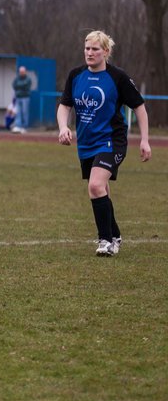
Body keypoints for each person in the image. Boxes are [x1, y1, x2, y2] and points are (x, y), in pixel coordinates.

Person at [56, 30, 151, 256]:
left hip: (112, 140)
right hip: (87, 143)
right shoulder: (75, 75)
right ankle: (115, 235)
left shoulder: (117, 77)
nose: (89, 53)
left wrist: (145, 140)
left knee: (95, 186)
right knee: (102, 190)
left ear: (105, 52)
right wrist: (63, 127)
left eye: (95, 49)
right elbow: (64, 105)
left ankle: (105, 241)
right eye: (87, 48)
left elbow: (139, 107)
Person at [11, 66, 32, 132]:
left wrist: (19, 86)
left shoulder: (28, 79)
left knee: (24, 112)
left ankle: (24, 127)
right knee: (18, 113)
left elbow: (25, 85)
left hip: (25, 97)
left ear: (25, 72)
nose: (21, 73)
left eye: (23, 72)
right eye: (20, 72)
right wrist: (20, 86)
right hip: (18, 97)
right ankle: (18, 126)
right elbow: (14, 85)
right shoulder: (17, 78)